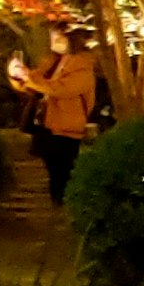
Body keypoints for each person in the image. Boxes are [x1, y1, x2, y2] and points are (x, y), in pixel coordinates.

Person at [11, 26, 106, 204]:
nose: (54, 42)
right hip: (46, 123)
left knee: (64, 168)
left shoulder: (83, 67)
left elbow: (62, 89)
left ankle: (66, 204)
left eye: (59, 38)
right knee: (52, 166)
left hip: (67, 126)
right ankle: (59, 202)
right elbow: (35, 81)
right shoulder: (52, 62)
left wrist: (31, 81)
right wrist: (19, 75)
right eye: (53, 37)